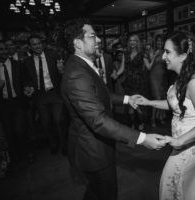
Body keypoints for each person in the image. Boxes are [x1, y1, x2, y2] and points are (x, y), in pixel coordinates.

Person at [61, 19, 166, 200]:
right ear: (77, 43)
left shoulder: (82, 65)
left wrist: (127, 99)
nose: (99, 40)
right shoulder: (77, 73)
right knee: (107, 194)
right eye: (93, 36)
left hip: (96, 147)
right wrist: (141, 138)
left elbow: (100, 94)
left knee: (95, 192)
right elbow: (99, 120)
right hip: (92, 152)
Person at [136, 30, 195, 200]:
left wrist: (178, 141)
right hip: (182, 144)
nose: (163, 56)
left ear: (183, 56)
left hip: (192, 144)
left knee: (169, 184)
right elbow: (175, 105)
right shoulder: (182, 78)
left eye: (168, 52)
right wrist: (148, 102)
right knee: (186, 187)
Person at [23, 34, 66, 155]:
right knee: (46, 123)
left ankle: (63, 144)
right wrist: (27, 87)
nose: (37, 46)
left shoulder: (53, 55)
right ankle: (53, 143)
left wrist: (61, 70)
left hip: (55, 93)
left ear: (42, 43)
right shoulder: (26, 62)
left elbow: (62, 72)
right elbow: (26, 79)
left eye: (39, 43)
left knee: (58, 120)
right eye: (34, 44)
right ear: (30, 47)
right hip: (40, 96)